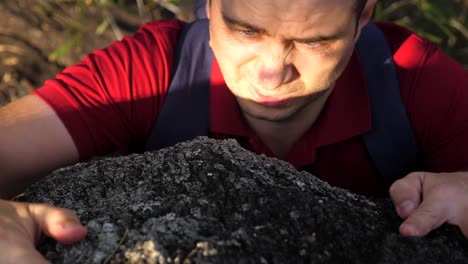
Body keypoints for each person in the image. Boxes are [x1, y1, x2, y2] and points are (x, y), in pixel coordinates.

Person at [1, 0, 467, 262]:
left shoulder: (409, 77)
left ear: (362, 17)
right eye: (245, 31)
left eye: (314, 42)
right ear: (210, 4)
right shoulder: (153, 72)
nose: (270, 73)